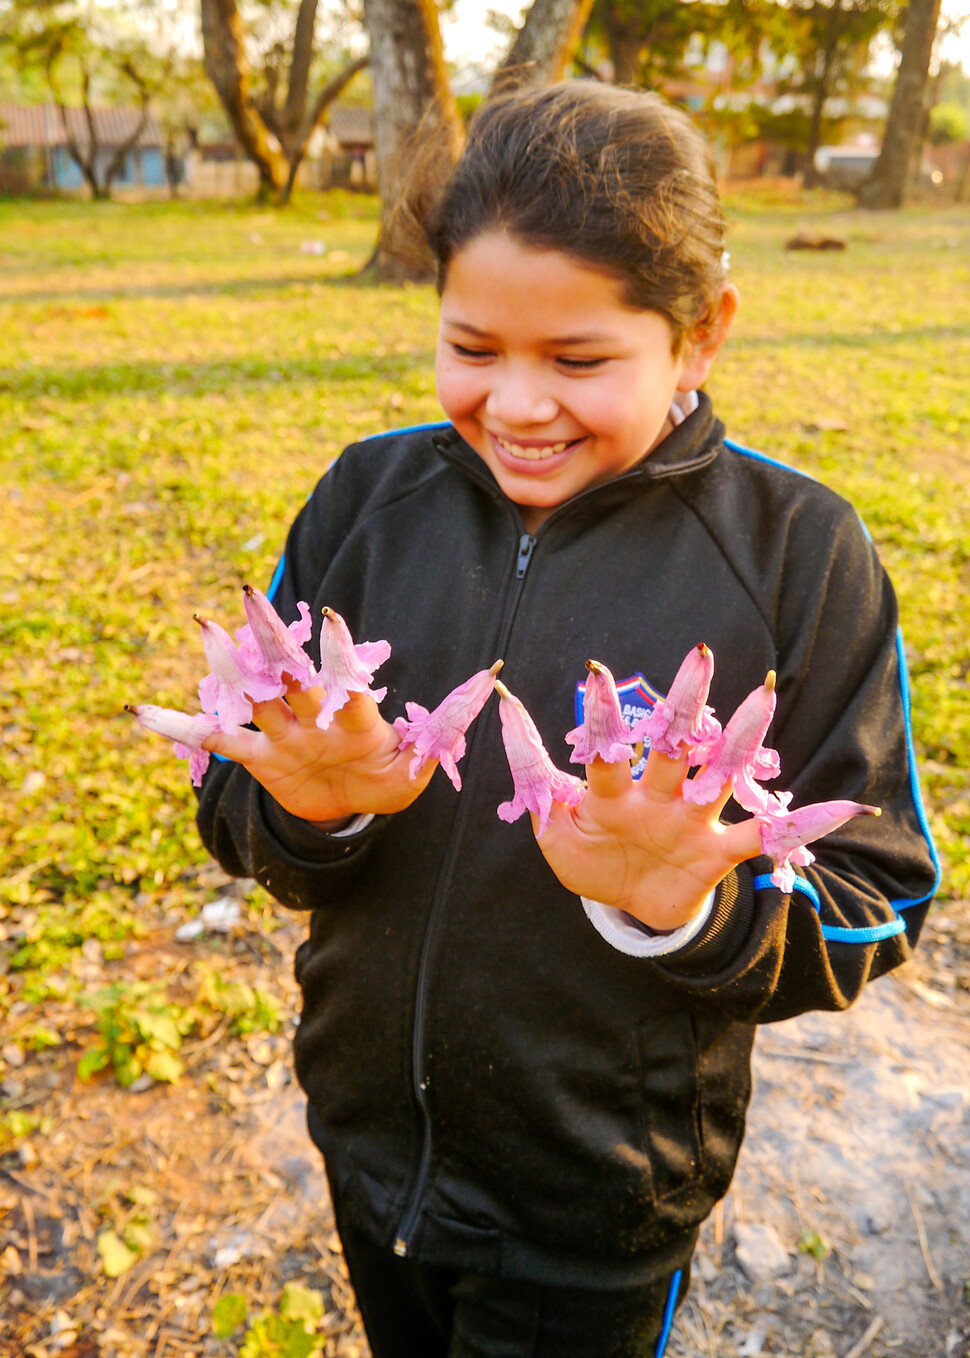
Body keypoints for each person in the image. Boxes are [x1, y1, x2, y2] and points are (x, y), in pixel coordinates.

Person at [193, 83, 938, 1356]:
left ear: (700, 335)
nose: (518, 406)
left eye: (580, 361)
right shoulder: (368, 499)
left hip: (597, 1198)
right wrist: (302, 806)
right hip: (370, 1139)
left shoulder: (797, 554)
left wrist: (684, 906)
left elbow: (878, 890)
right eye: (471, 348)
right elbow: (235, 792)